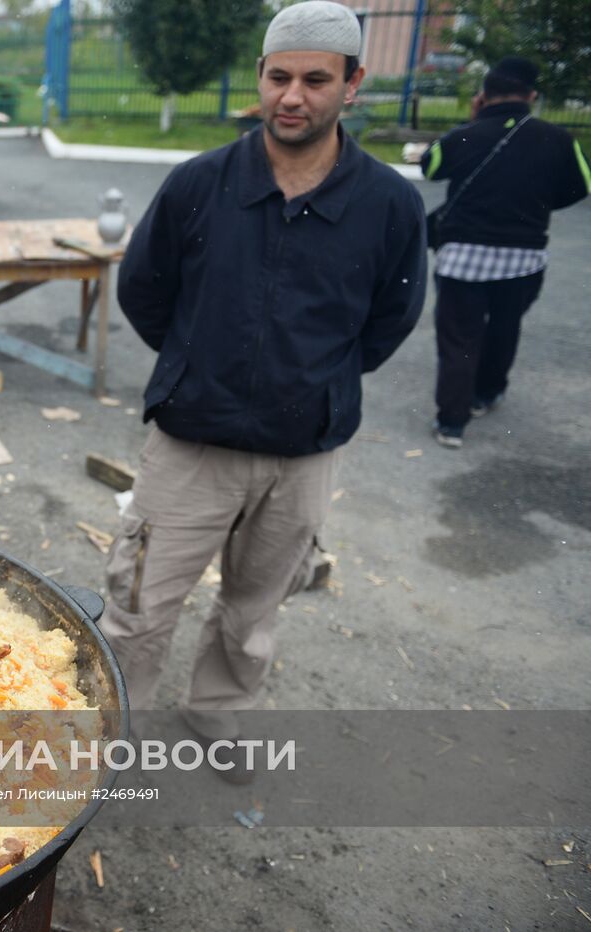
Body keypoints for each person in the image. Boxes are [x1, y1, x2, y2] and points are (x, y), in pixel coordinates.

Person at [104, 0, 426, 779]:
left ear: (353, 84)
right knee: (137, 604)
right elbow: (143, 293)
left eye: (316, 79)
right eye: (279, 76)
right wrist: (196, 365)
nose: (293, 96)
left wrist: (314, 386)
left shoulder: (387, 204)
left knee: (254, 607)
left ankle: (217, 714)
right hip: (189, 446)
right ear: (258, 77)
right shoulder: (198, 186)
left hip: (303, 454)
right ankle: (114, 730)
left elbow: (390, 320)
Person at [421, 57, 590, 449]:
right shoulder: (558, 138)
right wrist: (541, 205)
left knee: (459, 336)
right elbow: (582, 185)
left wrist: (468, 122)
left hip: (463, 256)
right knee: (504, 325)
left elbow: (431, 166)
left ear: (483, 96)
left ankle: (452, 423)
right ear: (531, 95)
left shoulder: (469, 134)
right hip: (524, 257)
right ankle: (486, 394)